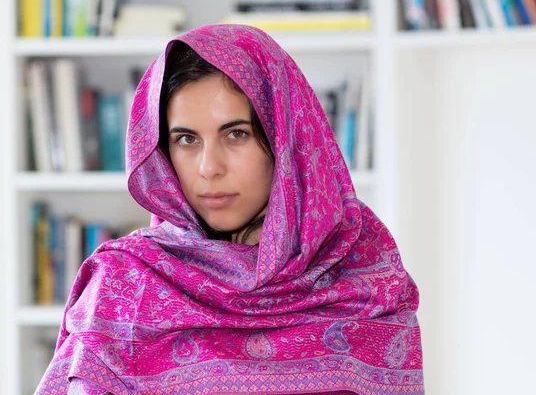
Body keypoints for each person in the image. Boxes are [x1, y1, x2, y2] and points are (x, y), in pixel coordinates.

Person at [36, 24, 424, 394]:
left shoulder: (364, 266)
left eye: (236, 134)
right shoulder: (123, 286)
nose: (209, 168)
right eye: (186, 139)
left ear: (285, 141)